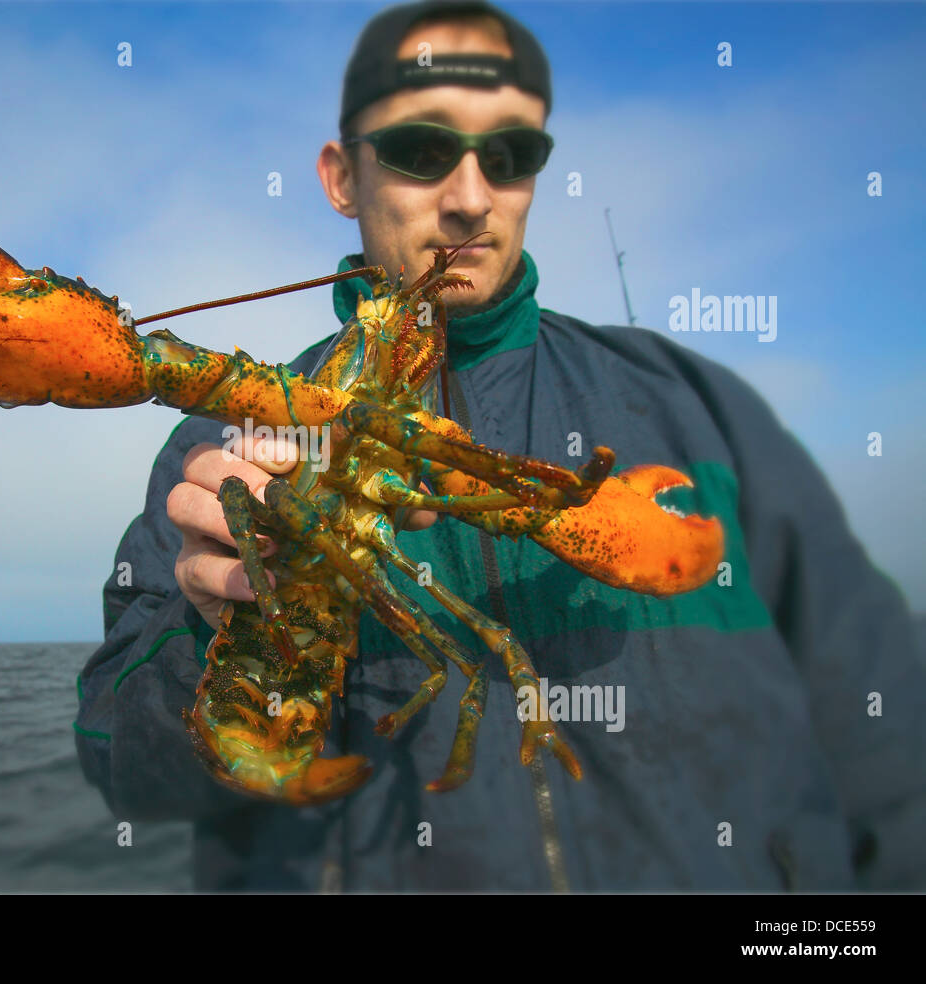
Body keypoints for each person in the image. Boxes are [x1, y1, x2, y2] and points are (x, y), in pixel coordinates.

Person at [75, 0, 925, 891]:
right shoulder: (219, 445)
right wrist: (199, 628)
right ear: (340, 178)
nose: (472, 197)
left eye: (511, 156)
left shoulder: (695, 405)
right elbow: (117, 764)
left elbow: (886, 747)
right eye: (420, 148)